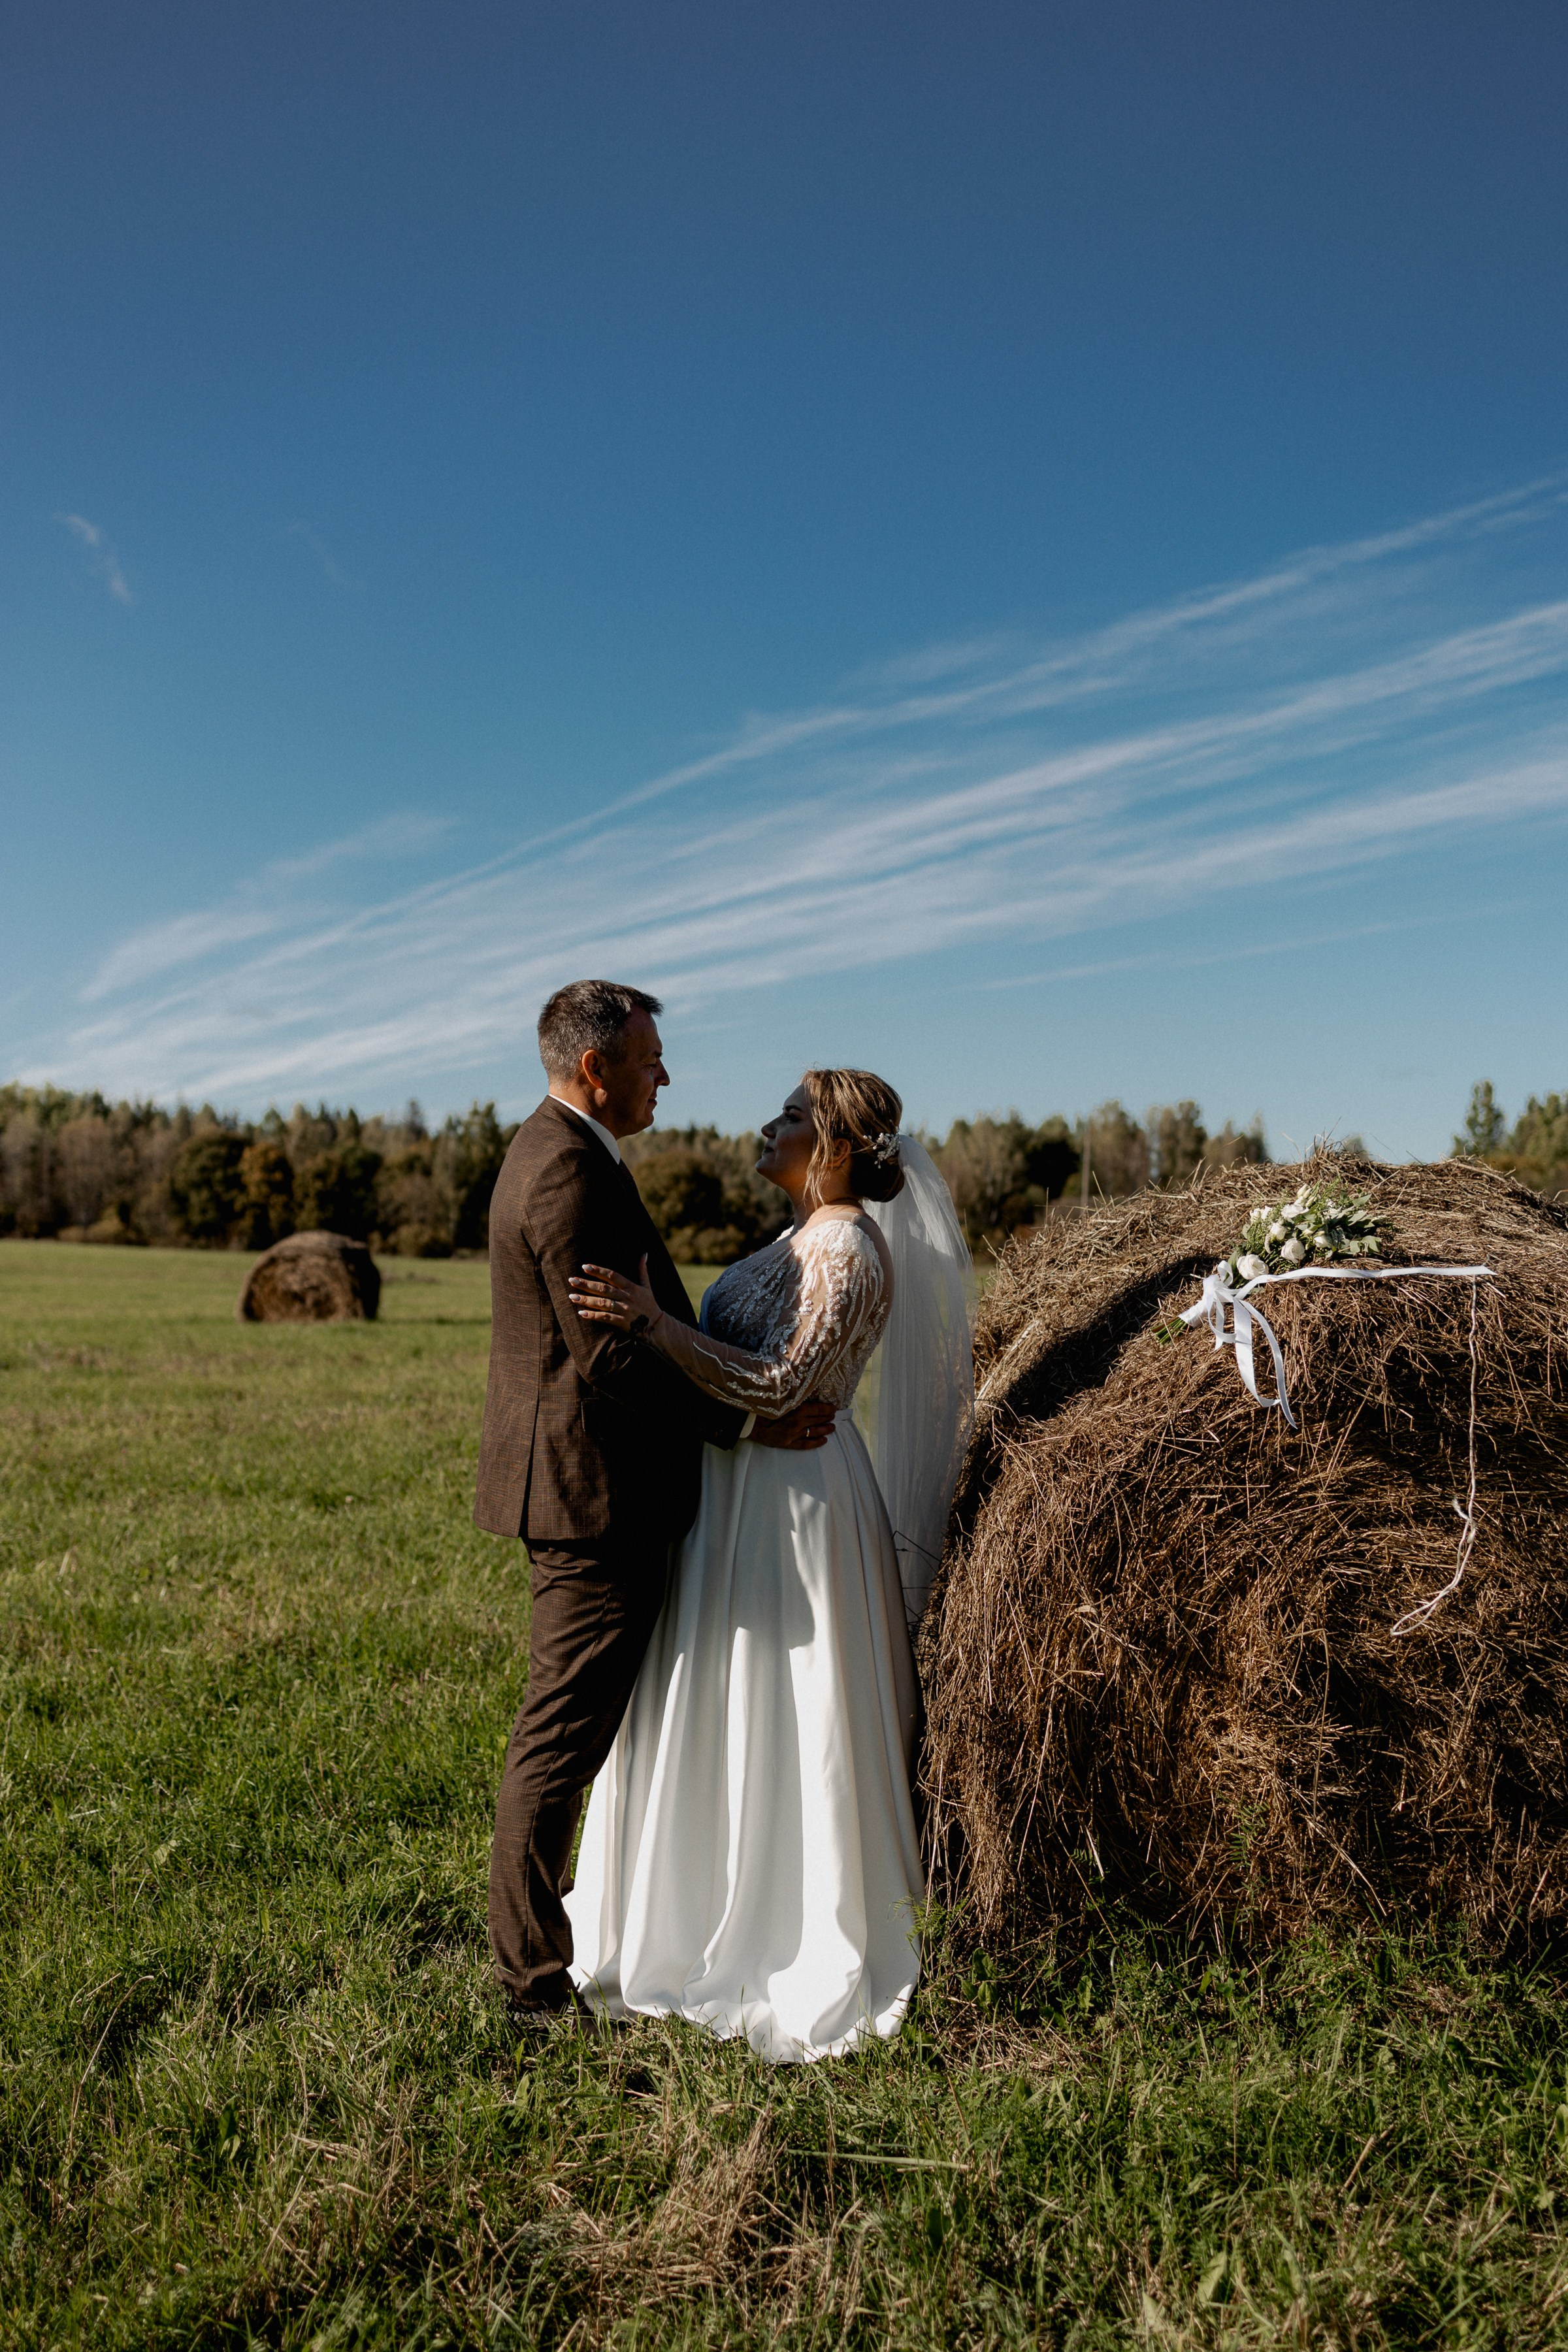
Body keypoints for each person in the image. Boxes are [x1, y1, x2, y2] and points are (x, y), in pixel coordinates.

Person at [565, 1066, 972, 2061]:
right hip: (739, 1483)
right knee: (715, 1683)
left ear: (834, 1147)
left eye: (791, 1118)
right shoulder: (799, 1237)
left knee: (787, 1698)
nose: (768, 1125)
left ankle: (785, 1930)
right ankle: (687, 1899)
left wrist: (656, 1328)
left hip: (796, 1502)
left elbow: (786, 1381)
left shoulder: (844, 1247)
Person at [476, 981, 836, 2028]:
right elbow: (613, 1359)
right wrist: (743, 1424)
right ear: (598, 1069)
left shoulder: (560, 1152)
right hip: (594, 1497)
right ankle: (535, 1992)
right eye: (650, 1059)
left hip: (593, 1486)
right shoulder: (567, 1175)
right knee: (558, 1740)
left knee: (572, 1732)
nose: (666, 1076)